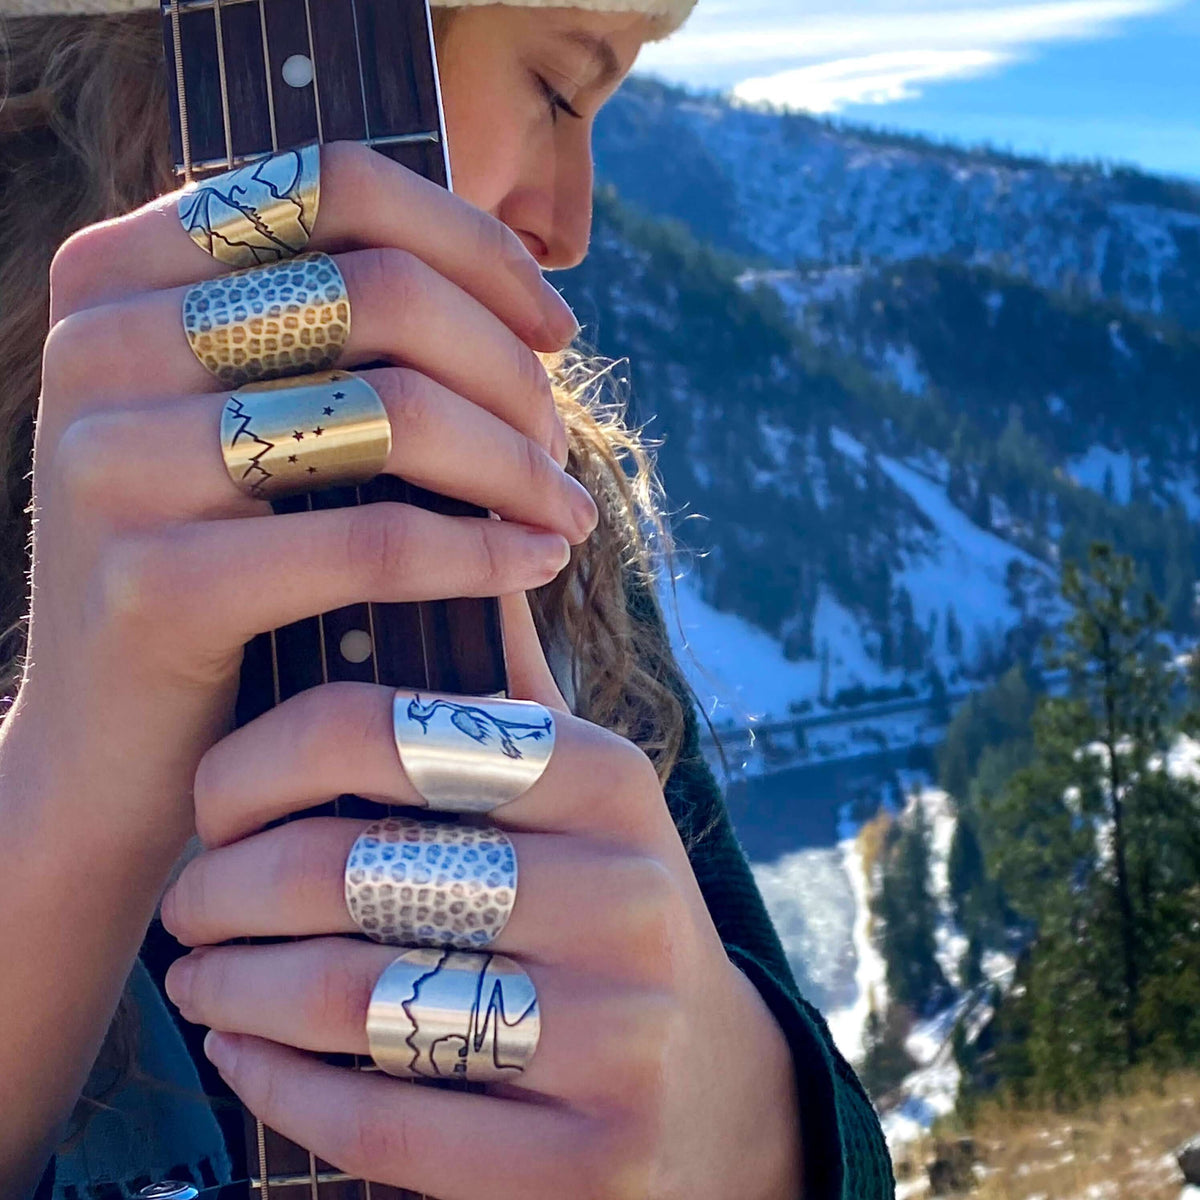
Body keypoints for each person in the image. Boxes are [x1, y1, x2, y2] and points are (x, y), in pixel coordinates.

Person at [0, 1, 895, 1197]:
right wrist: (69, 801)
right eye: (562, 90)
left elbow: (790, 1099)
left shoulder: (520, 487)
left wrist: (731, 1119)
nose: (570, 225)